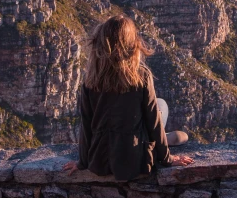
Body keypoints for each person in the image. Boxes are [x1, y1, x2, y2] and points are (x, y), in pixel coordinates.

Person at [63, 15, 193, 180]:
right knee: (162, 108)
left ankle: (165, 139)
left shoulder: (91, 79)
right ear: (131, 44)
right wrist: (167, 159)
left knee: (158, 110)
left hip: (100, 160)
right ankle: (165, 140)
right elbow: (153, 121)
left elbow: (87, 124)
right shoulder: (141, 75)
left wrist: (82, 162)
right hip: (134, 160)